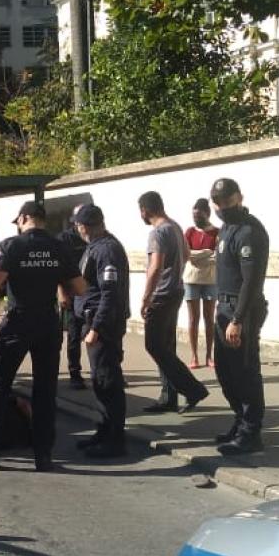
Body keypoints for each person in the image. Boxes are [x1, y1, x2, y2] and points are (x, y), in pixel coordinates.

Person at [0, 200, 88, 471]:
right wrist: (59, 285)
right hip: (48, 323)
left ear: (23, 218)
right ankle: (43, 457)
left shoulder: (12, 245)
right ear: (42, 219)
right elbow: (80, 287)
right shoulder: (59, 247)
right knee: (45, 391)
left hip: (18, 322)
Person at [210, 178, 270, 456]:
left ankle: (250, 432)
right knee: (225, 370)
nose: (222, 206)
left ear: (239, 197)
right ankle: (240, 419)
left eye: (227, 200)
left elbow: (251, 281)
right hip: (224, 307)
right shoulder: (226, 228)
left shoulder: (249, 232)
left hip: (241, 310)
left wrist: (237, 319)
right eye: (218, 202)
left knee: (245, 373)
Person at [138, 191, 209, 416]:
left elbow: (156, 266)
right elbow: (187, 254)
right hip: (176, 291)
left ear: (145, 210)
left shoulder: (158, 233)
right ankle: (169, 397)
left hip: (161, 295)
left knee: (154, 346)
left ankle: (193, 389)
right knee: (166, 347)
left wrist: (146, 297)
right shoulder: (176, 227)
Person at [74, 204, 133, 458]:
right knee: (100, 382)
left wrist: (96, 327)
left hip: (103, 326)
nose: (77, 229)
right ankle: (104, 430)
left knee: (108, 382)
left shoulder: (107, 250)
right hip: (94, 321)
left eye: (77, 225)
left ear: (84, 226)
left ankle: (115, 440)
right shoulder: (95, 247)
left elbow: (110, 294)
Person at [183, 198, 219, 368]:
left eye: (198, 216)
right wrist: (206, 253)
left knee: (209, 318)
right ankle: (194, 356)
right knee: (193, 319)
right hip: (191, 280)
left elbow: (217, 256)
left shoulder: (217, 232)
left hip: (211, 280)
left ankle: (209, 356)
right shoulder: (189, 232)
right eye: (194, 215)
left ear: (207, 214)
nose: (195, 219)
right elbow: (186, 254)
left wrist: (198, 255)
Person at [57, 211, 88, 390]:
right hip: (71, 291)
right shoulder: (64, 240)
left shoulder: (92, 235)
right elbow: (57, 267)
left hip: (89, 291)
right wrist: (61, 291)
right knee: (74, 335)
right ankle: (75, 373)